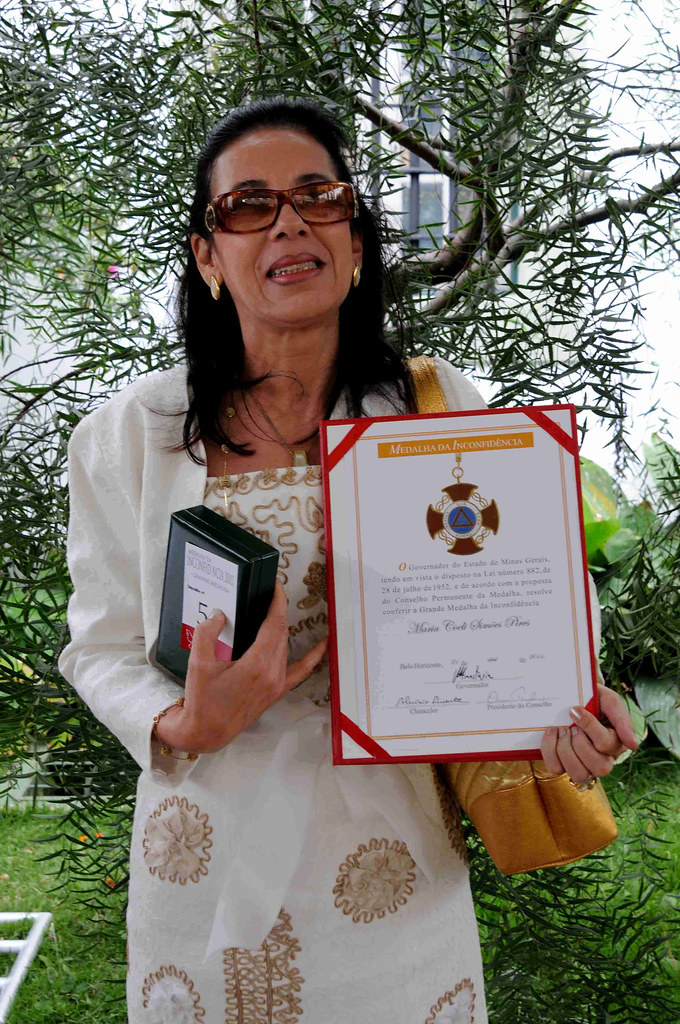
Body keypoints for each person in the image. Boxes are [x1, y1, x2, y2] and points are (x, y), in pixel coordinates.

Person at [58, 97, 637, 1024]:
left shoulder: (437, 406)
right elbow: (99, 645)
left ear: (356, 240)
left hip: (396, 865)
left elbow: (521, 589)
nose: (288, 222)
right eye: (248, 205)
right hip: (202, 859)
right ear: (208, 258)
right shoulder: (130, 435)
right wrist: (181, 723)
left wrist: (565, 705)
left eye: (318, 196)